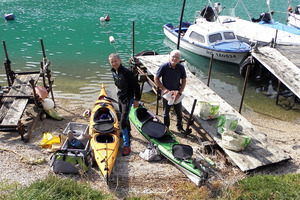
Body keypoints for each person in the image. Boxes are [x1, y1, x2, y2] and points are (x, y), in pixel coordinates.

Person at [109, 53, 141, 156]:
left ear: (120, 61)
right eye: (112, 62)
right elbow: (116, 83)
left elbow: (136, 86)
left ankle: (127, 145)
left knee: (122, 121)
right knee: (124, 118)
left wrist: (137, 100)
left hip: (128, 99)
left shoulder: (126, 72)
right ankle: (128, 132)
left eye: (115, 61)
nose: (114, 63)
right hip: (120, 98)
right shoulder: (114, 71)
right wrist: (117, 91)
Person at [154, 50, 187, 134]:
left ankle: (180, 127)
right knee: (166, 113)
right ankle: (166, 128)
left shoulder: (181, 67)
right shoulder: (164, 67)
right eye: (173, 57)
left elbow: (184, 81)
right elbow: (156, 78)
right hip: (167, 93)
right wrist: (164, 89)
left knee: (179, 112)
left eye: (177, 58)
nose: (175, 59)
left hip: (177, 92)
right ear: (169, 57)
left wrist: (179, 92)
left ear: (179, 59)